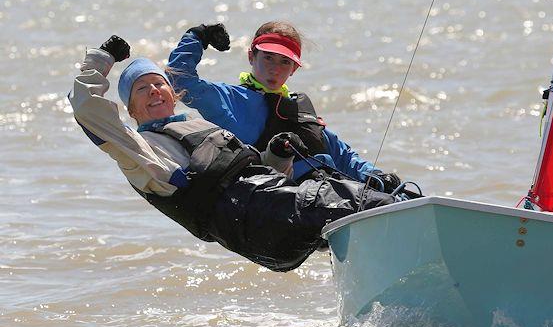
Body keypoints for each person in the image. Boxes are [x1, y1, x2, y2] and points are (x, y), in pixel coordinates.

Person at [69, 35, 396, 272]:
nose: (154, 90)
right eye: (142, 89)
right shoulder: (139, 150)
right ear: (131, 109)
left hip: (275, 219)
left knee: (373, 201)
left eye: (159, 84)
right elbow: (86, 106)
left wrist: (277, 156)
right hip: (257, 221)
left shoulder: (197, 127)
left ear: (172, 92)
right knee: (364, 203)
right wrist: (102, 58)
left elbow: (258, 175)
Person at [166, 21, 403, 193]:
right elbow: (180, 79)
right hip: (284, 201)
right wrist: (197, 36)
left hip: (330, 192)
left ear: (294, 69)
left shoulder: (300, 109)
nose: (275, 69)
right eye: (267, 57)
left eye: (284, 62)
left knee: (398, 194)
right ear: (251, 57)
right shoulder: (228, 99)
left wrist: (375, 175)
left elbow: (343, 156)